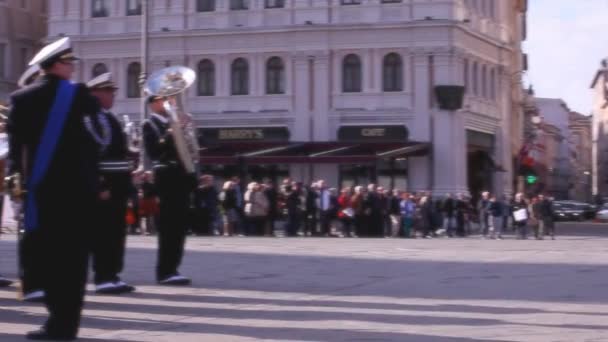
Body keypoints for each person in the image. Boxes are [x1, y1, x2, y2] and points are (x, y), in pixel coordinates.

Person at [7, 37, 102, 340]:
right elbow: (99, 138)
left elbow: (16, 148)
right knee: (74, 261)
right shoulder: (81, 96)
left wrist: (16, 182)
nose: (73, 68)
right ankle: (66, 324)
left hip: (42, 191)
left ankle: (54, 317)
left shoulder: (22, 99)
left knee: (45, 257)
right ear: (56, 65)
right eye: (69, 62)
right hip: (78, 193)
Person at [87, 72, 136, 295]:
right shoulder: (91, 119)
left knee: (117, 232)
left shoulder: (109, 117)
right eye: (108, 92)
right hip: (106, 183)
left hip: (119, 183)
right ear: (96, 93)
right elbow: (90, 155)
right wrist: (99, 185)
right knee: (103, 232)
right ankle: (103, 276)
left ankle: (113, 274)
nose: (113, 96)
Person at [142, 95, 194, 286]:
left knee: (179, 227)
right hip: (166, 177)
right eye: (163, 98)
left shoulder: (174, 122)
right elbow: (154, 151)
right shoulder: (150, 125)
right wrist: (173, 131)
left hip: (181, 177)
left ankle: (173, 268)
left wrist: (187, 131)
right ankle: (164, 270)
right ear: (153, 103)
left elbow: (189, 149)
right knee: (169, 226)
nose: (169, 101)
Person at [13, 64, 45, 303]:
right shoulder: (24, 111)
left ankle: (40, 280)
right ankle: (30, 281)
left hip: (44, 179)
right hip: (29, 179)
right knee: (31, 234)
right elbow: (17, 151)